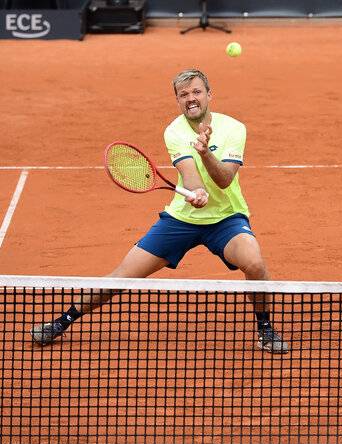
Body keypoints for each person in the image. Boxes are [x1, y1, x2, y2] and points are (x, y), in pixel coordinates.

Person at [30, 69, 288, 354]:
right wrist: (196, 193)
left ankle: (265, 329)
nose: (191, 99)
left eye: (197, 92)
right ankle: (62, 321)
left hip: (226, 219)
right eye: (184, 95)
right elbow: (189, 177)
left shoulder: (234, 128)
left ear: (209, 95)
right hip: (181, 220)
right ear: (178, 100)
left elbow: (226, 179)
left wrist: (205, 153)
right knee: (122, 276)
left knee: (254, 263)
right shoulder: (174, 131)